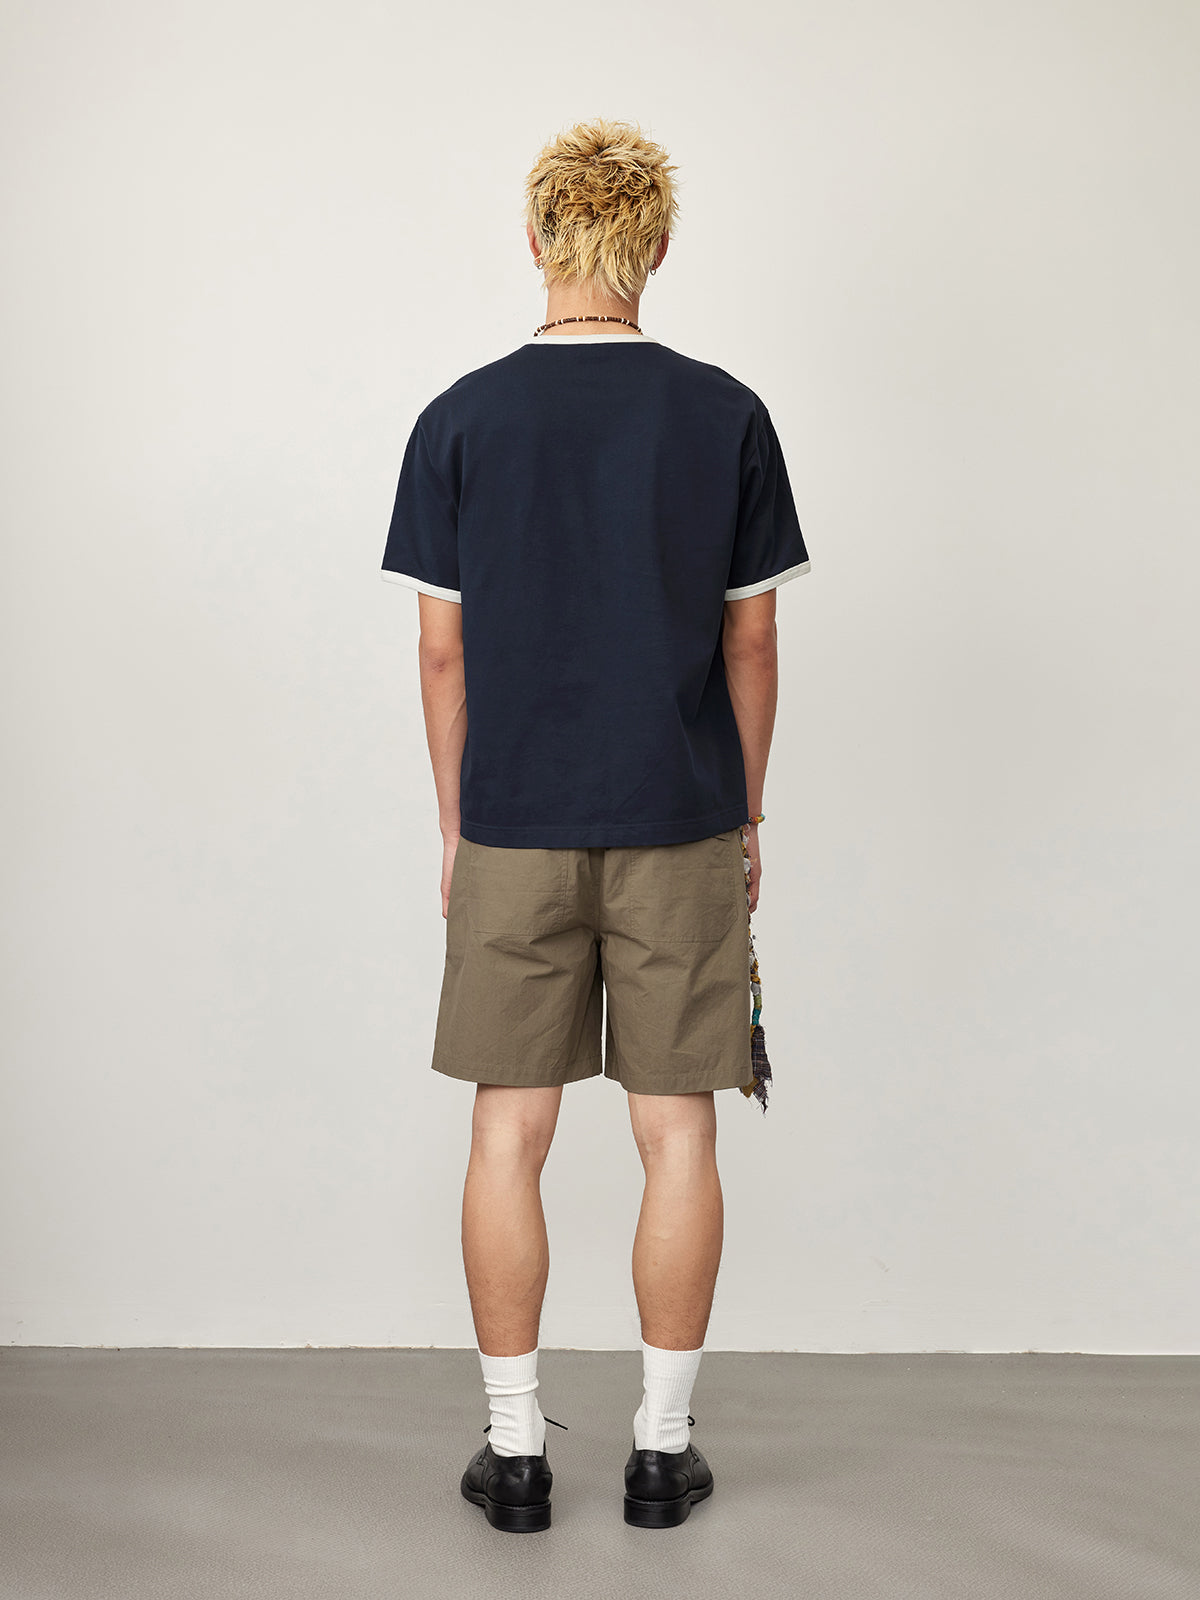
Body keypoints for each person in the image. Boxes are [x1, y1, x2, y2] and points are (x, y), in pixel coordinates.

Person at [380, 118, 810, 1532]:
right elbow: (751, 641)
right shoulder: (726, 414)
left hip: (513, 821)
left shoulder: (458, 419)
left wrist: (458, 824)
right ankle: (660, 1453)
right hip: (680, 817)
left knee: (509, 1132)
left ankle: (514, 1457)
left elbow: (442, 654)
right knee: (676, 1134)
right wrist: (745, 813)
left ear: (534, 241)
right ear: (658, 247)